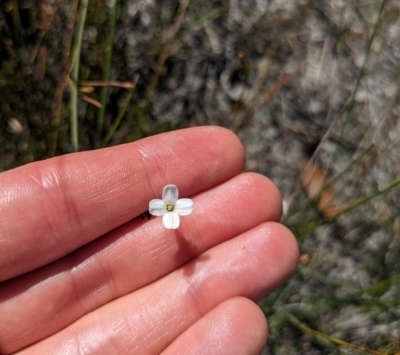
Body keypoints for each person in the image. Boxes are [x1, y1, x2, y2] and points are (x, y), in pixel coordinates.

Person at [0, 126, 298, 354]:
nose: (169, 205)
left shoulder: (173, 205)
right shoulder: (164, 206)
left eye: (170, 205)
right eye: (168, 205)